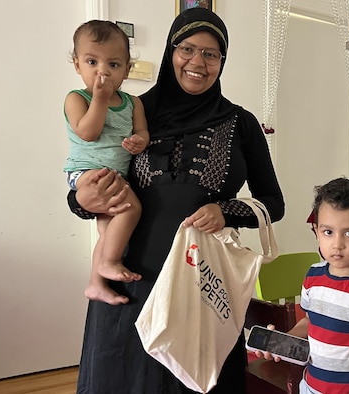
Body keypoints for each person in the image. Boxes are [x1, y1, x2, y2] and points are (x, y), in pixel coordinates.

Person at [66, 8, 285, 394]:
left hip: (201, 287)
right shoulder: (132, 110)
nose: (197, 62)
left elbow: (273, 202)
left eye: (211, 54)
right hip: (130, 283)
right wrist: (81, 198)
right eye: (187, 48)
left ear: (222, 61)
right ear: (171, 51)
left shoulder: (241, 122)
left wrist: (226, 210)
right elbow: (90, 179)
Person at [255, 177, 349, 394]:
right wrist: (285, 339)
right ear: (316, 231)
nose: (337, 244)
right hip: (311, 388)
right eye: (328, 232)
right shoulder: (313, 276)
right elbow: (309, 320)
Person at [64, 20, 148, 305]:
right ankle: (109, 263)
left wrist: (140, 141)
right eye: (91, 61)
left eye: (113, 64)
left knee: (107, 230)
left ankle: (96, 284)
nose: (103, 71)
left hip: (114, 174)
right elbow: (88, 132)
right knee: (131, 208)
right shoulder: (77, 98)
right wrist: (99, 100)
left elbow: (142, 131)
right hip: (86, 172)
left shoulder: (133, 103)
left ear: (127, 69)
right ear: (77, 65)